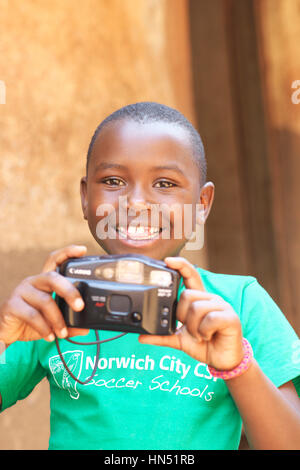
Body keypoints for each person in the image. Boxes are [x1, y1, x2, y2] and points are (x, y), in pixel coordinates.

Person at [0, 102, 299, 450]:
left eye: (165, 183)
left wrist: (237, 365)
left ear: (202, 204)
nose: (137, 202)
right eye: (113, 181)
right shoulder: (55, 304)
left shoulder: (237, 304)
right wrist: (4, 338)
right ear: (85, 197)